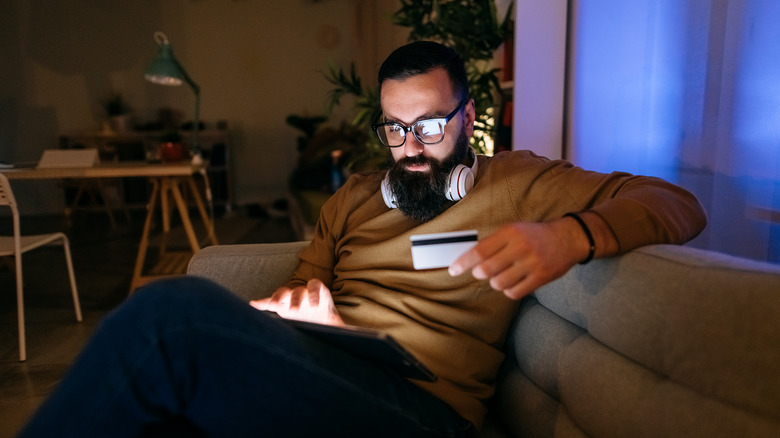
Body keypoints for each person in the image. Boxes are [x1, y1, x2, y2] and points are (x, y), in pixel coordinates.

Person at [19, 41, 706, 438]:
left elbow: (674, 202)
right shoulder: (351, 198)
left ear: (469, 117)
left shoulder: (520, 183)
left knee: (171, 314)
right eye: (395, 128)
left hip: (424, 413)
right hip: (330, 377)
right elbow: (302, 285)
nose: (411, 147)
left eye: (431, 126)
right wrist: (306, 311)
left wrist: (571, 236)